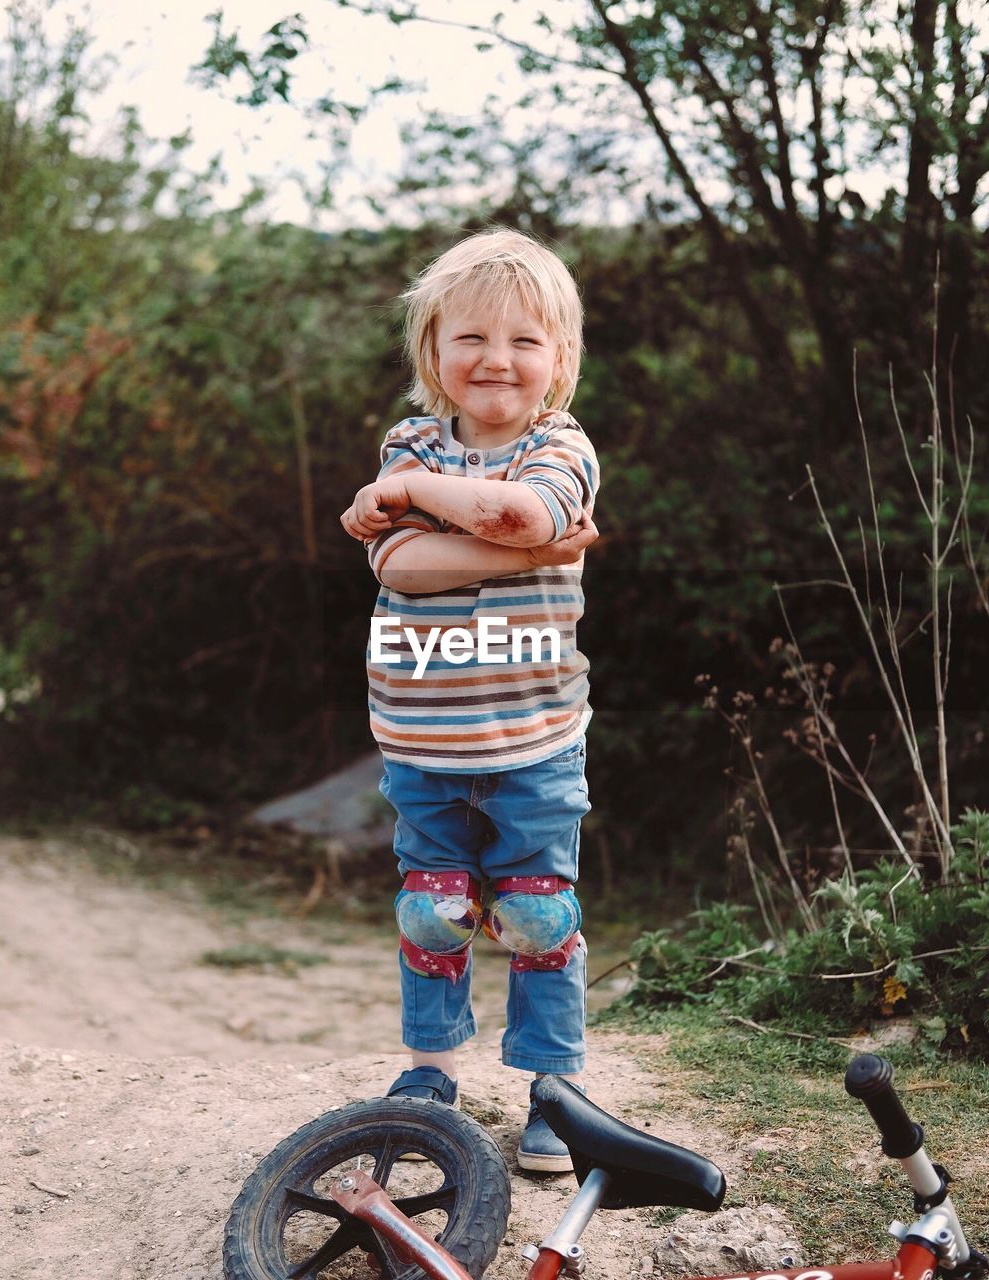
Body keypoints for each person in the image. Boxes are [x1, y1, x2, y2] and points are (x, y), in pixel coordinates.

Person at [340, 228, 600, 1173]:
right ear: (433, 357)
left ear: (559, 360)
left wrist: (419, 499)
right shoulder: (408, 445)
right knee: (431, 910)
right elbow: (403, 567)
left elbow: (523, 508)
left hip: (533, 737)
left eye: (525, 341)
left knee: (538, 915)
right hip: (421, 737)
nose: (497, 359)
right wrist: (536, 549)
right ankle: (428, 1078)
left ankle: (555, 1094)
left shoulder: (560, 444)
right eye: (472, 339)